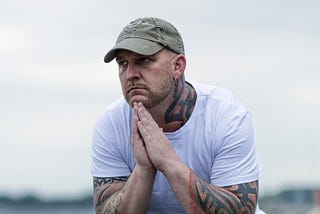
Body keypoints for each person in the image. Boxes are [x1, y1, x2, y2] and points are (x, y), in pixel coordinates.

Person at [91, 17, 264, 214]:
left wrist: (169, 163)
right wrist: (144, 170)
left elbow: (241, 210)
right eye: (123, 63)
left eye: (143, 60)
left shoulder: (225, 114)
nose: (130, 74)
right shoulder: (111, 123)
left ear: (178, 66)